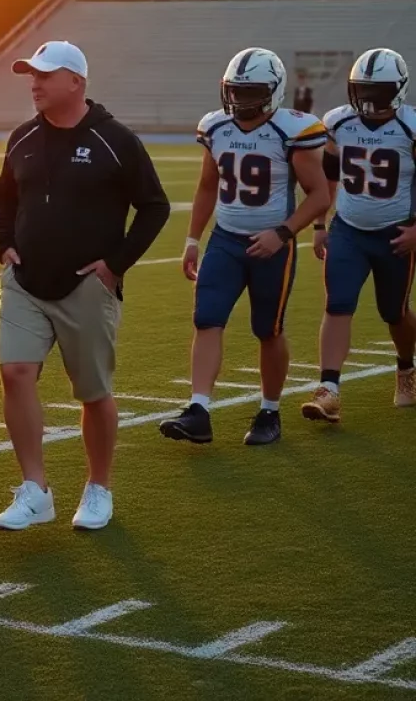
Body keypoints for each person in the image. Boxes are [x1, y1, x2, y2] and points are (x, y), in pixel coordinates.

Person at [0, 40, 170, 533]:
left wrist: (115, 265)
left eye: (45, 75)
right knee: (16, 372)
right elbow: (5, 197)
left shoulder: (116, 140)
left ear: (76, 81)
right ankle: (35, 490)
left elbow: (155, 206)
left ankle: (98, 487)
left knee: (92, 392)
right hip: (25, 282)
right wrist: (4, 243)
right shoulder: (22, 137)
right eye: (31, 75)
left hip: (86, 287)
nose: (35, 83)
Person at [160, 47, 329, 448]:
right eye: (235, 90)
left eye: (250, 91)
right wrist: (192, 239)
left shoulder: (292, 130)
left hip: (272, 245)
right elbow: (207, 186)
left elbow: (320, 195)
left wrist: (282, 234)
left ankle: (270, 411)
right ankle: (198, 410)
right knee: (207, 318)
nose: (240, 99)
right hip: (226, 239)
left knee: (268, 330)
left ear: (274, 91)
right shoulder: (216, 127)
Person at [303, 48, 416, 423]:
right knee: (338, 303)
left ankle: (406, 366)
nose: (369, 98)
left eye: (377, 91)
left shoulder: (411, 126)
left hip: (395, 234)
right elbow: (328, 177)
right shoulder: (338, 122)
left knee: (394, 312)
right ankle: (328, 389)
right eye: (363, 89)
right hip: (348, 230)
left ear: (398, 90)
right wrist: (320, 225)